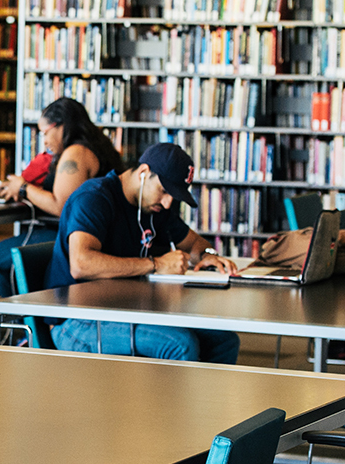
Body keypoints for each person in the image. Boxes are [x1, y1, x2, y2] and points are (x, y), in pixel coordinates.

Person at [45, 142, 241, 363]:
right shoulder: (95, 197)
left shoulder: (153, 206)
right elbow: (81, 264)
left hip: (128, 309)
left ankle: (204, 398)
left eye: (173, 197)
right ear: (144, 173)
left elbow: (194, 243)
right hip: (77, 320)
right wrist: (156, 264)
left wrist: (207, 255)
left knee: (225, 341)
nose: (167, 203)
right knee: (180, 344)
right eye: (164, 191)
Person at [0, 98, 124, 296]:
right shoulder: (100, 148)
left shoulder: (75, 153)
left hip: (67, 237)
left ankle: (23, 319)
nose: (44, 141)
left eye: (45, 132)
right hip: (94, 236)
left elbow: (62, 206)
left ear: (62, 126)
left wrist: (23, 188)